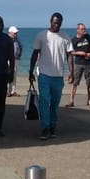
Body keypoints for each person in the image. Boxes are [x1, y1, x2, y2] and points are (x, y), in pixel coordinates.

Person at [28, 12, 71, 141]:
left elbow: (69, 55)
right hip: (44, 74)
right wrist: (30, 71)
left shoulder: (65, 37)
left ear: (61, 23)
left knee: (55, 103)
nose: (56, 24)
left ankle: (53, 127)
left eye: (58, 22)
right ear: (50, 21)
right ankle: (45, 128)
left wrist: (72, 72)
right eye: (54, 22)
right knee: (44, 101)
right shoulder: (41, 35)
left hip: (58, 76)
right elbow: (35, 53)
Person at [66, 22, 90, 107]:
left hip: (88, 63)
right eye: (82, 29)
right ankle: (71, 101)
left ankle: (89, 100)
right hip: (78, 63)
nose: (84, 30)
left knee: (89, 83)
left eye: (84, 29)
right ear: (78, 30)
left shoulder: (88, 37)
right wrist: (79, 53)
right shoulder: (74, 40)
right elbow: (71, 52)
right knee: (74, 83)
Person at [7, 27, 22, 96]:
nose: (16, 34)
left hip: (16, 60)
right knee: (8, 75)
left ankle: (13, 91)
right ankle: (7, 91)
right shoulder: (7, 40)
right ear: (10, 33)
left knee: (14, 75)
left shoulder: (17, 40)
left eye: (16, 33)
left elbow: (19, 49)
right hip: (8, 60)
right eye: (15, 33)